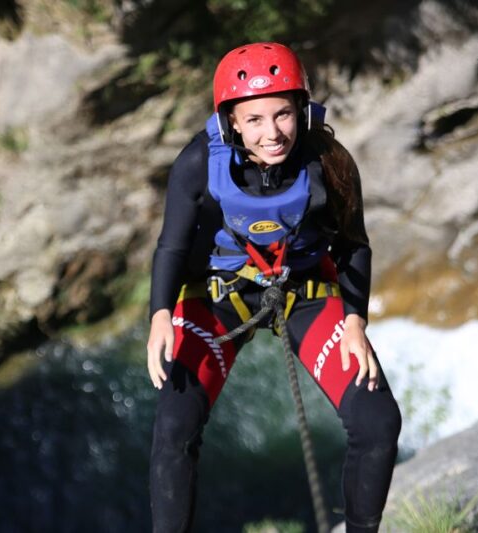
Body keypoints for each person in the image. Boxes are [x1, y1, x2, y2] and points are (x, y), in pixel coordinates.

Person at [146, 42, 402, 532]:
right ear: (231, 122)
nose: (272, 133)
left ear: (301, 110)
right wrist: (160, 313)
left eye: (283, 114)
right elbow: (172, 246)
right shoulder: (198, 163)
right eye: (255, 119)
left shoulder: (329, 161)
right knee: (174, 427)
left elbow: (353, 246)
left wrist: (355, 320)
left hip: (303, 290)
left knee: (378, 422)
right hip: (219, 295)